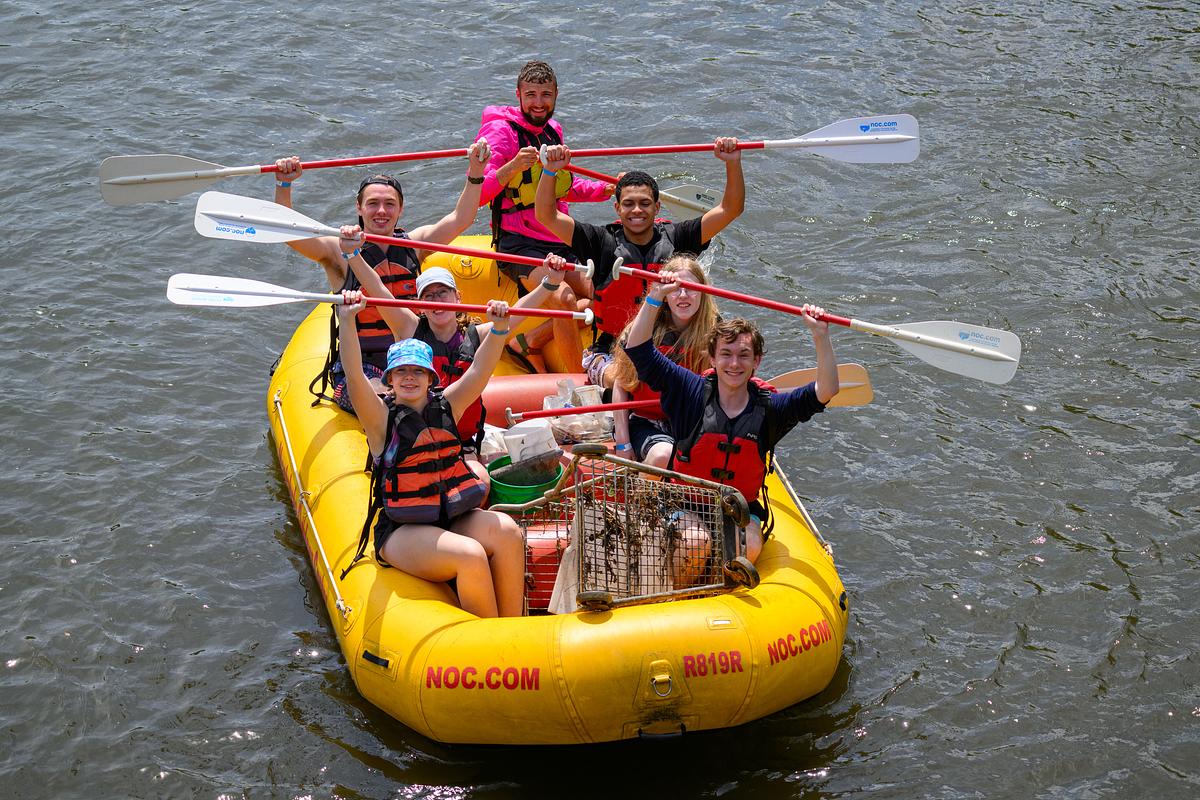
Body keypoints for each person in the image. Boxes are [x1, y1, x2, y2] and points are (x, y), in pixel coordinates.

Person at [337, 286, 526, 618]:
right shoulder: (380, 419)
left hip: (451, 516)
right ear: (390, 379)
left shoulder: (447, 406)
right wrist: (347, 319)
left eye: (417, 371)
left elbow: (479, 371)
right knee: (470, 555)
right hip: (403, 531)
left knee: (509, 532)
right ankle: (492, 641)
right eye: (402, 372)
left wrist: (498, 329)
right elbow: (354, 374)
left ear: (430, 377)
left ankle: (514, 629)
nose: (410, 377)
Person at [622, 276, 839, 565]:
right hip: (685, 503)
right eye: (726, 354)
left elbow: (825, 391)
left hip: (739, 508)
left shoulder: (771, 407)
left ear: (756, 361)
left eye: (743, 356)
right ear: (712, 359)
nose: (734, 364)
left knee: (747, 549)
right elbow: (639, 351)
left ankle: (725, 581)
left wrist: (820, 336)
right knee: (695, 542)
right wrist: (656, 297)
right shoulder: (689, 390)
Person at [271, 138, 491, 412]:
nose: (381, 211)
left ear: (401, 209)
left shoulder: (415, 245)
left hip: (413, 357)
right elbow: (288, 232)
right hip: (362, 364)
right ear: (359, 208)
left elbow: (462, 218)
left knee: (442, 397)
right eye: (373, 204)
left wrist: (476, 170)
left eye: (390, 204)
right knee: (395, 401)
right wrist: (284, 183)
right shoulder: (337, 250)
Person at [338, 237, 571, 493]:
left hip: (461, 441)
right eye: (428, 295)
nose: (436, 300)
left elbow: (519, 313)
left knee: (480, 483)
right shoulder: (408, 327)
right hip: (412, 441)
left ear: (457, 297)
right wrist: (353, 254)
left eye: (442, 292)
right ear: (420, 304)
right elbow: (378, 288)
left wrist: (550, 282)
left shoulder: (479, 335)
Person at [535, 137, 744, 388]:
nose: (637, 210)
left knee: (719, 369)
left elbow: (731, 209)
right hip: (612, 349)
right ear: (617, 208)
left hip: (671, 344)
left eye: (645, 203)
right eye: (628, 204)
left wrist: (732, 162)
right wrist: (549, 170)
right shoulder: (599, 241)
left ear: (657, 207)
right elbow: (546, 215)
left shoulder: (679, 237)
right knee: (628, 379)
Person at [475, 59, 613, 372]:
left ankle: (530, 341)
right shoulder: (501, 132)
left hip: (559, 239)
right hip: (520, 245)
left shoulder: (554, 131)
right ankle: (583, 382)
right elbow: (479, 193)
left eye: (546, 95)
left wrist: (604, 189)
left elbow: (563, 185)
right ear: (519, 95)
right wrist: (512, 167)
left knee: (609, 293)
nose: (539, 103)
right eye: (532, 95)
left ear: (556, 95)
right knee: (564, 300)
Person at [607, 254, 720, 468]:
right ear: (665, 296)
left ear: (703, 292)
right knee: (664, 455)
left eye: (690, 288)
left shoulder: (715, 336)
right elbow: (622, 383)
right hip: (644, 420)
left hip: (688, 421)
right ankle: (640, 493)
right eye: (675, 289)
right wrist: (623, 444)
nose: (683, 295)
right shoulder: (641, 331)